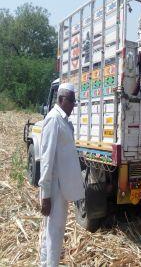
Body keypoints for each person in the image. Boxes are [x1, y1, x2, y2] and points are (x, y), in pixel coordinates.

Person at [39, 83, 85, 267]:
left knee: (51, 231)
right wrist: (46, 195)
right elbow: (46, 159)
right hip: (55, 189)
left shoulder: (63, 120)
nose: (74, 105)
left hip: (61, 187)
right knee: (54, 233)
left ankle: (46, 263)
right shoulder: (53, 119)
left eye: (75, 101)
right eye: (71, 101)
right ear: (61, 99)